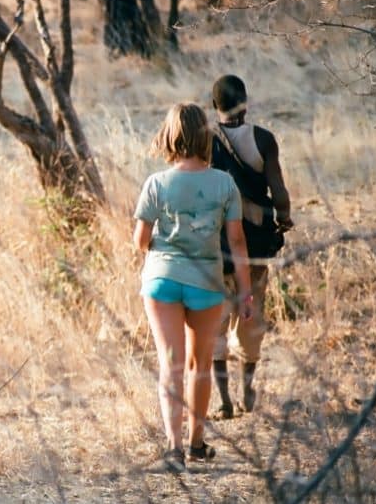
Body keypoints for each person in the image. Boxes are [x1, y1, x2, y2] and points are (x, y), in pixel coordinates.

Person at [133, 103, 253, 472]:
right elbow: (236, 242)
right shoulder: (224, 183)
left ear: (169, 136)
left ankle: (173, 449)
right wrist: (245, 292)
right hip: (206, 283)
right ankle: (197, 443)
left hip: (162, 280)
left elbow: (140, 239)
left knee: (170, 364)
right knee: (200, 365)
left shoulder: (156, 183)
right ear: (205, 136)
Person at [209, 75, 294, 420]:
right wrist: (283, 219)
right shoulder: (263, 139)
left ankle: (223, 400)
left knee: (215, 321)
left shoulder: (205, 141)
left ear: (214, 106)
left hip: (215, 248)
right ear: (247, 102)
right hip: (255, 244)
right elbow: (279, 190)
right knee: (250, 318)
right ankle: (247, 389)